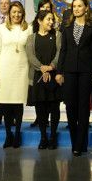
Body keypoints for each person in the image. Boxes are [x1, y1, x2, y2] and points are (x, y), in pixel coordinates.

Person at [57, 0, 92, 156]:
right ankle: (76, 141)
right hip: (68, 70)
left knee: (83, 107)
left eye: (79, 6)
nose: (76, 9)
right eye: (74, 6)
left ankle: (80, 144)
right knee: (70, 106)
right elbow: (63, 50)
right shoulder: (67, 26)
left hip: (86, 70)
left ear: (86, 8)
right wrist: (59, 72)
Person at [0, 1, 33, 148]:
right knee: (6, 104)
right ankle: (8, 135)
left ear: (23, 13)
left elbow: (31, 51)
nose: (16, 14)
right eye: (14, 12)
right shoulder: (2, 28)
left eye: (19, 12)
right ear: (9, 13)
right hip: (4, 69)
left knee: (17, 103)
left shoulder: (28, 29)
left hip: (21, 69)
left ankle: (17, 135)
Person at [27, 10, 62, 150]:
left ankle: (53, 136)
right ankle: (43, 137)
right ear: (39, 21)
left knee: (54, 108)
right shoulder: (32, 38)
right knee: (40, 109)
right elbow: (30, 56)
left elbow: (60, 53)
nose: (51, 22)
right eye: (48, 19)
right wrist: (42, 68)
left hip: (54, 76)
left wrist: (51, 67)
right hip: (38, 76)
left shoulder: (58, 35)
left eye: (52, 20)